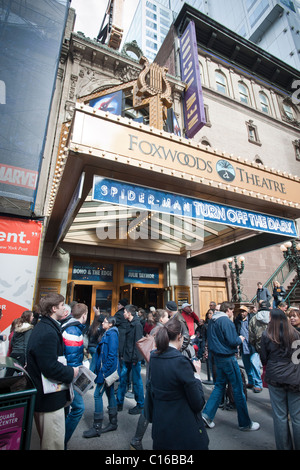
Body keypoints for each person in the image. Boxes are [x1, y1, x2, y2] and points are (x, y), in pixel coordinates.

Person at [26, 293, 79, 450]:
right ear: (54, 308)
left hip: (45, 397)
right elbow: (50, 367)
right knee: (53, 444)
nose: (64, 308)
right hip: (49, 400)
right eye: (62, 305)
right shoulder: (48, 332)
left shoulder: (45, 327)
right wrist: (72, 372)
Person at [149, 317, 209, 450]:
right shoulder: (181, 362)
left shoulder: (154, 357)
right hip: (182, 431)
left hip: (161, 428)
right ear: (180, 336)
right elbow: (197, 402)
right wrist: (197, 375)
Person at [201, 301, 260, 431]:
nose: (232, 313)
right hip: (227, 357)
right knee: (238, 387)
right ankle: (245, 423)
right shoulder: (225, 321)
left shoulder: (212, 321)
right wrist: (240, 339)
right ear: (227, 310)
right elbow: (233, 341)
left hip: (217, 357)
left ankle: (207, 414)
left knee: (219, 386)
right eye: (232, 311)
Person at [260, 308, 300, 450]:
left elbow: (263, 358)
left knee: (280, 416)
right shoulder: (296, 334)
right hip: (295, 377)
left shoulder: (267, 335)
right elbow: (298, 358)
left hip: (276, 377)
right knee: (297, 417)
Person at [130, 308, 169, 450]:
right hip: (157, 375)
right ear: (161, 319)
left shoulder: (154, 330)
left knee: (149, 408)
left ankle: (137, 440)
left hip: (152, 373)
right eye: (166, 317)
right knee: (153, 408)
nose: (168, 319)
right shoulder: (161, 331)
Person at [83, 316, 119, 438]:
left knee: (97, 395)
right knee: (109, 393)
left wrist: (103, 372)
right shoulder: (107, 333)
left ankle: (97, 427)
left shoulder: (112, 335)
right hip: (105, 371)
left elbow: (112, 355)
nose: (102, 323)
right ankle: (113, 422)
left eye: (104, 322)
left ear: (110, 324)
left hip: (105, 372)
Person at [62, 303, 88, 447]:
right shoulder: (73, 330)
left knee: (66, 407)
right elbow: (71, 357)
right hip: (71, 374)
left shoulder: (71, 326)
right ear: (84, 315)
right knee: (78, 408)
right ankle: (61, 441)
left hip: (69, 372)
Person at [117, 304, 144, 415]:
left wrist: (135, 358)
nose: (123, 313)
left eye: (124, 312)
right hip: (127, 356)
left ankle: (140, 404)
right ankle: (119, 402)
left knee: (136, 381)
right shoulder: (129, 323)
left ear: (129, 313)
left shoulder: (137, 325)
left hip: (133, 358)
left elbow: (137, 343)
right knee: (123, 379)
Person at [235, 305, 263, 393]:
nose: (242, 313)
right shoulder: (237, 320)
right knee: (247, 365)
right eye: (241, 311)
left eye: (244, 311)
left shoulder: (252, 319)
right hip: (244, 345)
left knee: (254, 363)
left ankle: (258, 384)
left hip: (252, 345)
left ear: (247, 312)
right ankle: (251, 381)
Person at [86, 307, 106, 371]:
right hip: (95, 347)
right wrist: (99, 314)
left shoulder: (92, 326)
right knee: (94, 364)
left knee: (94, 362)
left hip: (90, 346)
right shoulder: (100, 328)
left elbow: (88, 335)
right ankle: (90, 378)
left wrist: (97, 314)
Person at [114, 298, 129, 368]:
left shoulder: (119, 314)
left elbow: (113, 322)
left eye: (119, 304)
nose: (117, 306)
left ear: (122, 305)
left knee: (120, 357)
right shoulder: (125, 314)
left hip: (121, 338)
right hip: (126, 338)